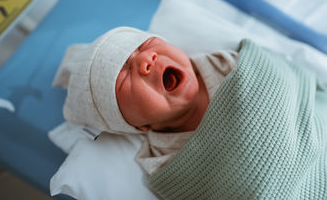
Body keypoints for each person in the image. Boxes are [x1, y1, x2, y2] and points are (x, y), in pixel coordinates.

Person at [53, 26, 238, 174]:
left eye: (144, 45)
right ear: (138, 125)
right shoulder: (166, 165)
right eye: (124, 77)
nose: (146, 58)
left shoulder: (226, 64)